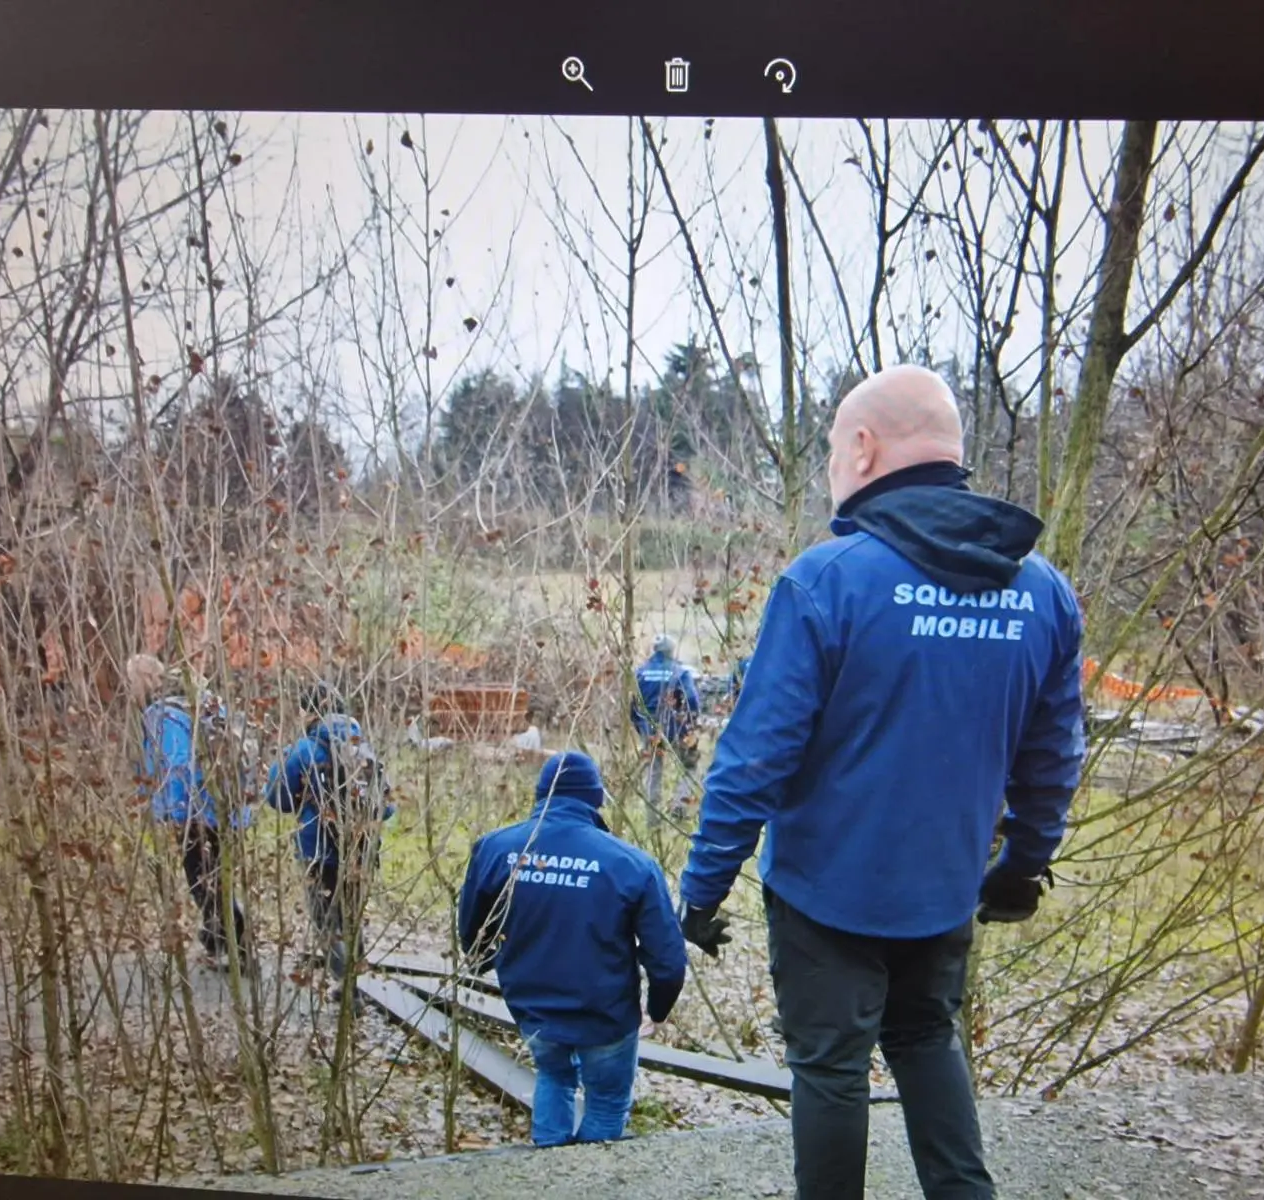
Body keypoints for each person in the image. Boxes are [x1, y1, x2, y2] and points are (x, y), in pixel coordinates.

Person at [677, 364, 1086, 1200]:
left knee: (830, 1070)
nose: (834, 465)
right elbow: (1052, 760)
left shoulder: (827, 581)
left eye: (834, 449)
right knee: (928, 1039)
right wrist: (1019, 866)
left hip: (825, 891)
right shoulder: (1042, 592)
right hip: (945, 887)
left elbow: (754, 757)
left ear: (863, 449)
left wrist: (702, 890)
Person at [458, 751, 687, 1148]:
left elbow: (473, 933)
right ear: (596, 799)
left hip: (533, 1011)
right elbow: (667, 960)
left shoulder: (496, 849)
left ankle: (551, 1176)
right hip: (606, 1017)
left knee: (554, 1077)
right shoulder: (631, 864)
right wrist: (658, 1009)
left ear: (541, 794)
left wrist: (484, 963)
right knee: (607, 1102)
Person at [263, 681, 394, 979]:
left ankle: (344, 986)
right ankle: (355, 983)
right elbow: (386, 807)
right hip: (361, 849)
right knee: (352, 919)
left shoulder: (302, 750)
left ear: (308, 712)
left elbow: (277, 798)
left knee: (326, 922)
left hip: (318, 852)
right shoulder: (363, 747)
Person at [129, 653, 252, 969]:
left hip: (196, 811)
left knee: (202, 879)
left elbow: (174, 763)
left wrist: (166, 808)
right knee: (215, 876)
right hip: (228, 807)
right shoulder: (204, 701)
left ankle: (240, 947)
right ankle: (216, 940)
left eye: (130, 683)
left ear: (143, 681)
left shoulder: (162, 713)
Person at [630, 634, 702, 825]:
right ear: (671, 650)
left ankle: (652, 821)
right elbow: (692, 701)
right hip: (676, 729)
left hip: (650, 730)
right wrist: (690, 726)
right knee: (689, 767)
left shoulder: (640, 672)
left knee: (654, 772)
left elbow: (633, 705)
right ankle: (679, 807)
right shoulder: (680, 672)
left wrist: (641, 727)